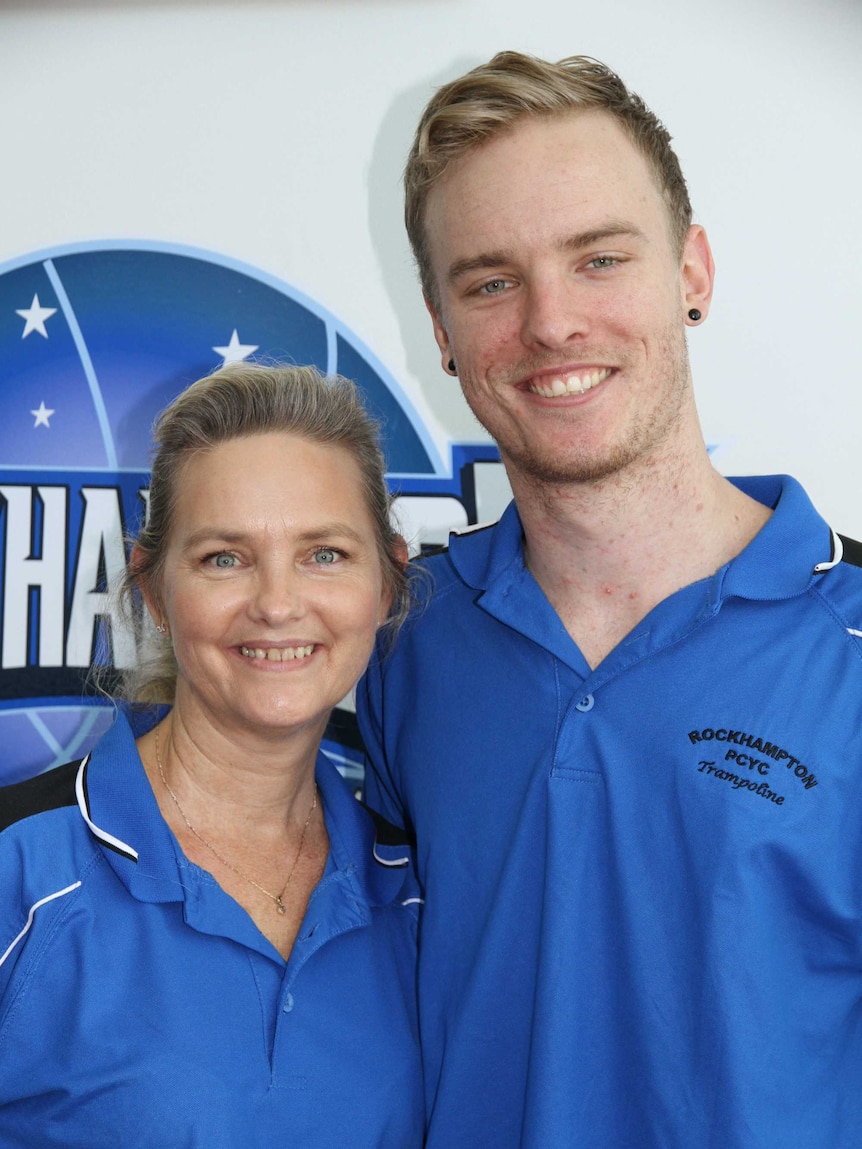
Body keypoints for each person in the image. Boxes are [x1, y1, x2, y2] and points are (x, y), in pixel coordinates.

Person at [357, 50, 862, 1148]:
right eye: (491, 281)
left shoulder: (851, 652)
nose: (550, 324)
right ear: (441, 333)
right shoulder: (399, 642)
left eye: (598, 259)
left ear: (692, 272)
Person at [0, 364, 424, 1147]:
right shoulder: (19, 873)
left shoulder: (419, 899)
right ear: (153, 587)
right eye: (224, 557)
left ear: (387, 583)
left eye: (324, 553)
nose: (276, 602)